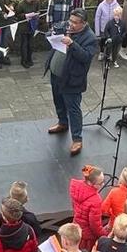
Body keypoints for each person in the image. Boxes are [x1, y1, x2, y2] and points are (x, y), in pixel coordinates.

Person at [45, 8, 97, 156]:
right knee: (58, 101)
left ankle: (77, 138)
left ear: (84, 23)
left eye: (75, 22)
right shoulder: (66, 27)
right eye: (70, 21)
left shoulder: (90, 38)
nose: (71, 24)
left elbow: (86, 57)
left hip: (72, 79)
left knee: (73, 108)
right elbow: (49, 34)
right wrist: (52, 34)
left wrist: (72, 44)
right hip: (56, 74)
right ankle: (62, 122)